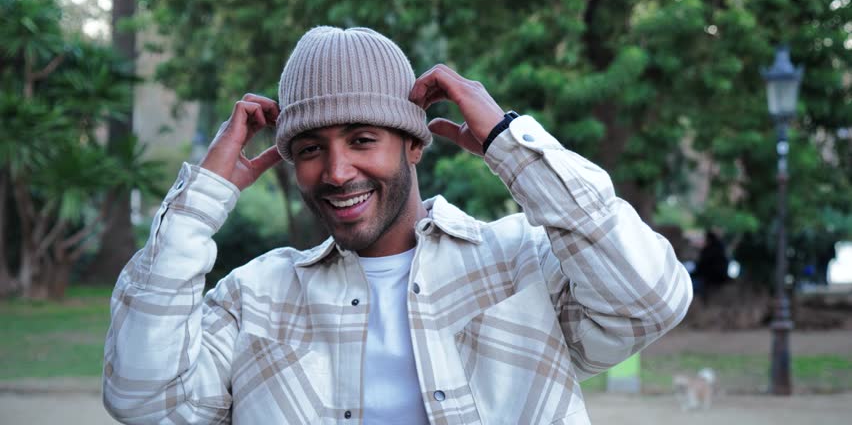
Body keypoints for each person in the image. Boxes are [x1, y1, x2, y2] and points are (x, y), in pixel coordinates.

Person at [102, 26, 692, 424]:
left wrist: (510, 144)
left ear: (413, 146)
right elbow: (143, 399)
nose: (337, 171)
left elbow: (650, 301)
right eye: (310, 149)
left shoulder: (521, 265)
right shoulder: (255, 297)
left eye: (363, 140)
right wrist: (200, 201)